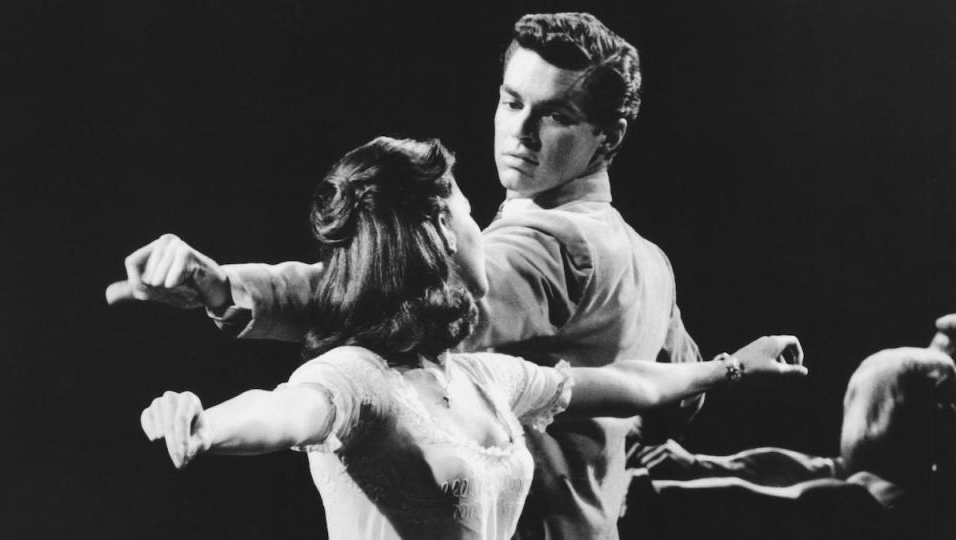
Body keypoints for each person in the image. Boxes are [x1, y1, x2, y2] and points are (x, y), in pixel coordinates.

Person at [106, 12, 767, 539]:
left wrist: (226, 288)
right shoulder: (651, 260)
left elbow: (390, 292)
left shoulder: (549, 245)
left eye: (557, 115)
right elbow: (672, 400)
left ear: (606, 137)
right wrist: (728, 369)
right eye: (512, 102)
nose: (521, 132)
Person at [134, 136, 807, 540]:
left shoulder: (482, 377)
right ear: (434, 233)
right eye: (466, 208)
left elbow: (625, 383)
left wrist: (731, 369)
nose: (480, 220)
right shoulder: (356, 378)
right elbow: (282, 411)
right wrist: (206, 424)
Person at [627, 322, 956, 539]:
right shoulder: (870, 481)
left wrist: (648, 494)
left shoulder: (876, 495)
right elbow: (774, 472)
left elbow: (783, 499)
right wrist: (692, 468)